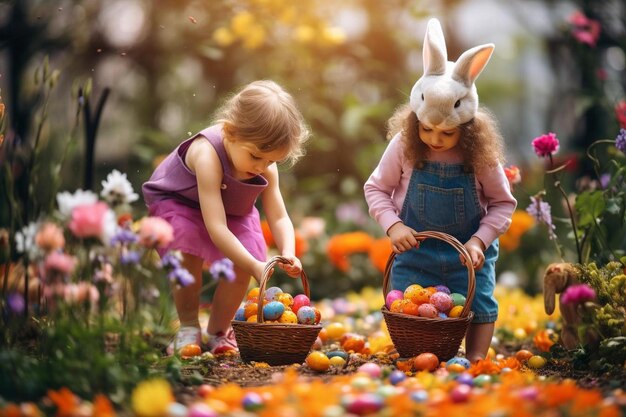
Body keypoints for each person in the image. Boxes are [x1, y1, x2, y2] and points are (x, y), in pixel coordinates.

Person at [364, 19, 516, 362]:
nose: (435, 139)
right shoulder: (404, 145)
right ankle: (419, 355)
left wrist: (480, 240)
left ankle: (475, 359)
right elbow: (376, 189)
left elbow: (503, 203)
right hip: (416, 251)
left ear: (466, 127)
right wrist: (394, 225)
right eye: (427, 129)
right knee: (405, 301)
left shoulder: (478, 155)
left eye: (446, 133)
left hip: (468, 255)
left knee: (480, 302)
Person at [143, 80, 310, 355]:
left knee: (244, 261)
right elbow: (216, 227)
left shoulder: (264, 163)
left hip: (232, 211)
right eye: (256, 156)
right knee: (187, 248)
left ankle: (217, 332)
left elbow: (278, 215)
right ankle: (187, 326)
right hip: (183, 205)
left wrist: (288, 252)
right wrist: (258, 266)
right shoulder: (207, 155)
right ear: (231, 133)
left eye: (271, 161)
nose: (262, 167)